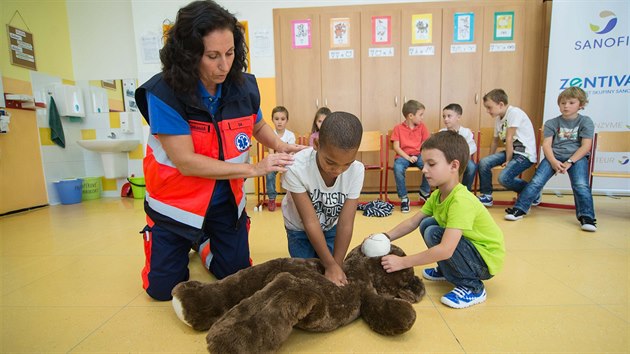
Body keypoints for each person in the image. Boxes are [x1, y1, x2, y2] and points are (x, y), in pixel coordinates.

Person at [134, 0, 303, 301]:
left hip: (224, 201)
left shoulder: (242, 86)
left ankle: (201, 240)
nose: (224, 65)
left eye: (229, 53)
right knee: (162, 291)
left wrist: (279, 144)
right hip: (176, 205)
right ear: (189, 55)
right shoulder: (164, 93)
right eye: (212, 56)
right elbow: (186, 162)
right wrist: (255, 169)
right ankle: (175, 237)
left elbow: (256, 124)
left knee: (236, 277)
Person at [378, 130, 505, 309]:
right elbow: (413, 222)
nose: (424, 169)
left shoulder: (461, 200)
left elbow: (446, 249)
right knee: (428, 224)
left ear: (454, 166)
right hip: (470, 250)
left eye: (431, 164)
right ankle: (448, 270)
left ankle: (473, 287)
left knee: (435, 233)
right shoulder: (439, 194)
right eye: (425, 164)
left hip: (484, 260)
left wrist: (402, 262)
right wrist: (386, 236)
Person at [281, 112, 364, 286]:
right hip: (300, 230)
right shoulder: (296, 167)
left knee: (333, 275)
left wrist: (337, 265)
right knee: (307, 278)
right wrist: (330, 264)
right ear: (317, 144)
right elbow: (309, 221)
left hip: (331, 226)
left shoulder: (357, 170)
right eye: (330, 162)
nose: (338, 170)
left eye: (346, 164)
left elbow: (346, 223)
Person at [505, 87, 597, 231]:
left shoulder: (586, 121)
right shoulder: (552, 123)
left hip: (576, 158)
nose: (566, 106)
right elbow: (546, 145)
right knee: (536, 181)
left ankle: (587, 216)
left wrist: (570, 162)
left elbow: (586, 146)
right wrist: (554, 162)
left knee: (581, 185)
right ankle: (520, 208)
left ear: (581, 105)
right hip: (553, 156)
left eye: (571, 103)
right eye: (563, 103)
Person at [477, 89, 537, 207]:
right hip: (511, 152)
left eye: (489, 107)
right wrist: (490, 159)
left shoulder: (514, 113)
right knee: (484, 162)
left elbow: (509, 138)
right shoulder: (498, 119)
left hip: (524, 154)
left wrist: (508, 160)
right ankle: (487, 196)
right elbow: (495, 141)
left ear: (500, 104)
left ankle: (532, 192)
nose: (487, 111)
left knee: (504, 178)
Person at [391, 99, 431, 213]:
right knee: (398, 168)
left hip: (418, 155)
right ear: (411, 116)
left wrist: (418, 152)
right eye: (421, 115)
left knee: (429, 166)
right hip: (403, 156)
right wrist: (408, 157)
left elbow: (426, 143)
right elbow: (396, 147)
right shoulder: (398, 128)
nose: (422, 117)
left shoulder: (422, 127)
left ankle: (424, 192)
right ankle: (404, 198)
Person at [440, 103, 477, 191]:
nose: (446, 119)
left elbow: (472, 147)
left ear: (458, 117)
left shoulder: (466, 132)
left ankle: (465, 190)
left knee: (471, 167)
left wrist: (462, 156)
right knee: (440, 166)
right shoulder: (441, 132)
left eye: (449, 116)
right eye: (444, 116)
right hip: (447, 160)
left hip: (462, 159)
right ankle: (444, 190)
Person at [265, 106, 296, 211]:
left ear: (287, 120)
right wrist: (276, 161)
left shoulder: (290, 135)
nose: (279, 122)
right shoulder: (271, 134)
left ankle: (291, 198)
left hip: (287, 161)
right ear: (272, 120)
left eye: (282, 119)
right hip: (275, 161)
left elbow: (292, 151)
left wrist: (285, 161)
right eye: (276, 119)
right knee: (269, 174)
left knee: (292, 172)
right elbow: (270, 151)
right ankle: (272, 199)